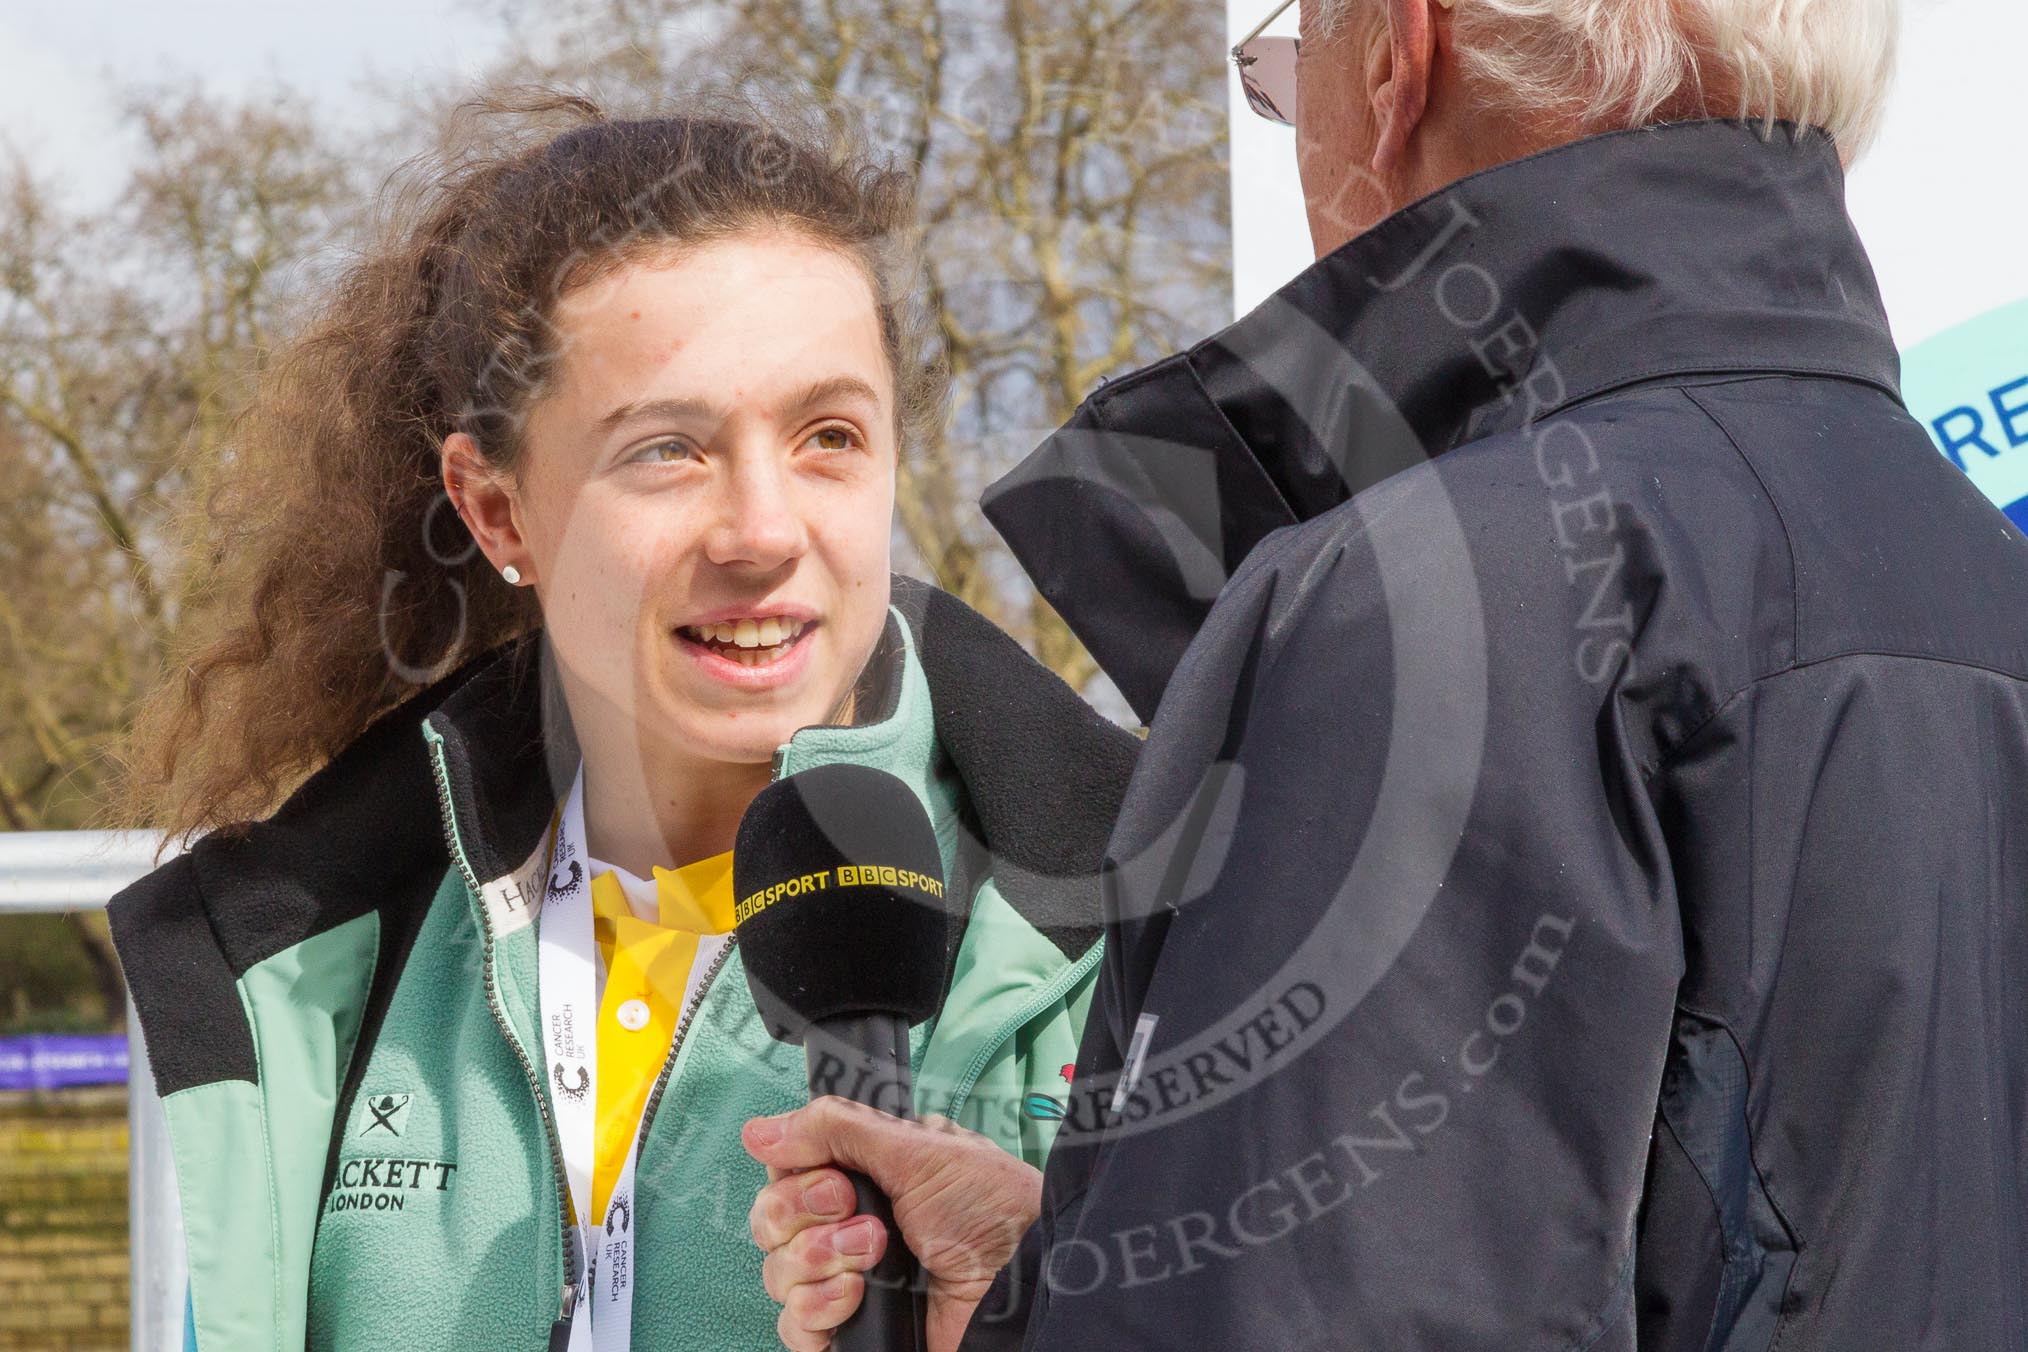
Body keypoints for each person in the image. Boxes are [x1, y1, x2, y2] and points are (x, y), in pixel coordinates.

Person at [749, 1, 2028, 1348]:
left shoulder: (1433, 611)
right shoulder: (1981, 578)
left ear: (1397, 56)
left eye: (1285, 70)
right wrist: (1063, 1290)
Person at [102, 91, 1137, 1352]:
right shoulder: (309, 967)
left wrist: (1084, 1315)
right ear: (496, 514)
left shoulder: (1160, 920)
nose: (763, 529)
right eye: (668, 449)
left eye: (829, 436)